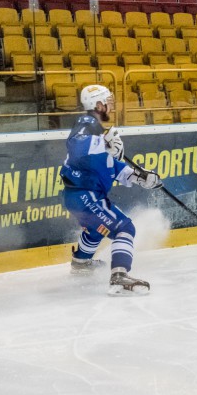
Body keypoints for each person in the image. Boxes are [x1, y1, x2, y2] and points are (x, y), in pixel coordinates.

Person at [61, 85, 163, 296]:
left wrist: (141, 177)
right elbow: (76, 147)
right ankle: (119, 276)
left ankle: (81, 263)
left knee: (96, 228)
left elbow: (111, 166)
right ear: (98, 104)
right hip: (86, 195)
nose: (111, 105)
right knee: (124, 228)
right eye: (108, 101)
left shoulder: (97, 131)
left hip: (79, 195)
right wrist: (103, 143)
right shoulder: (87, 123)